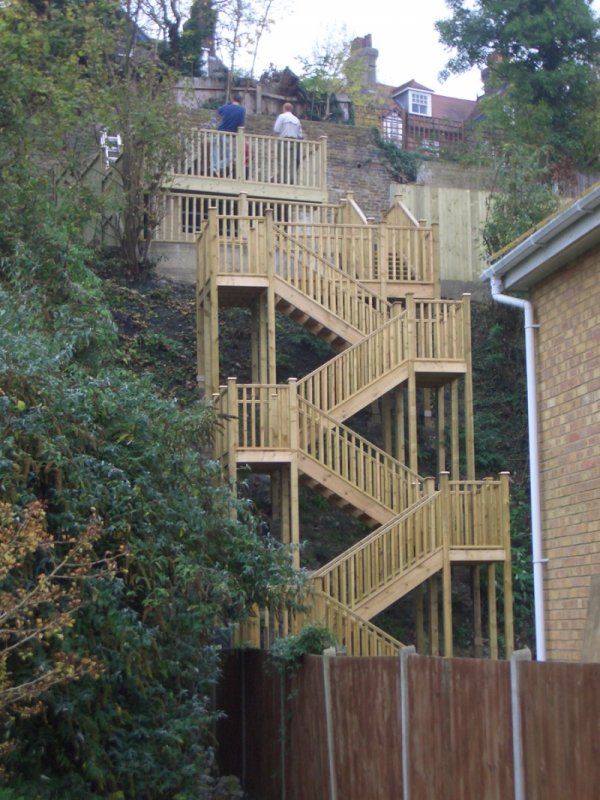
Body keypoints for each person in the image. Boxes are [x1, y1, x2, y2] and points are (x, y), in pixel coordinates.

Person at [212, 93, 245, 177]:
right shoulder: (242, 110)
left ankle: (214, 167)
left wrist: (228, 103)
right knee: (229, 157)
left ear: (233, 99)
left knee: (215, 151)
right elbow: (241, 124)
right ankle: (216, 166)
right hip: (228, 135)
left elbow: (219, 111)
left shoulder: (226, 107)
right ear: (241, 101)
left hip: (219, 132)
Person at [273, 102, 303, 183]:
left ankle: (282, 179)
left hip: (284, 141)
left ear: (284, 108)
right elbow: (300, 134)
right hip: (294, 142)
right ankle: (291, 179)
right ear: (291, 109)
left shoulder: (282, 116)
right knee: (292, 162)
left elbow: (276, 129)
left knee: (282, 160)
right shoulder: (296, 119)